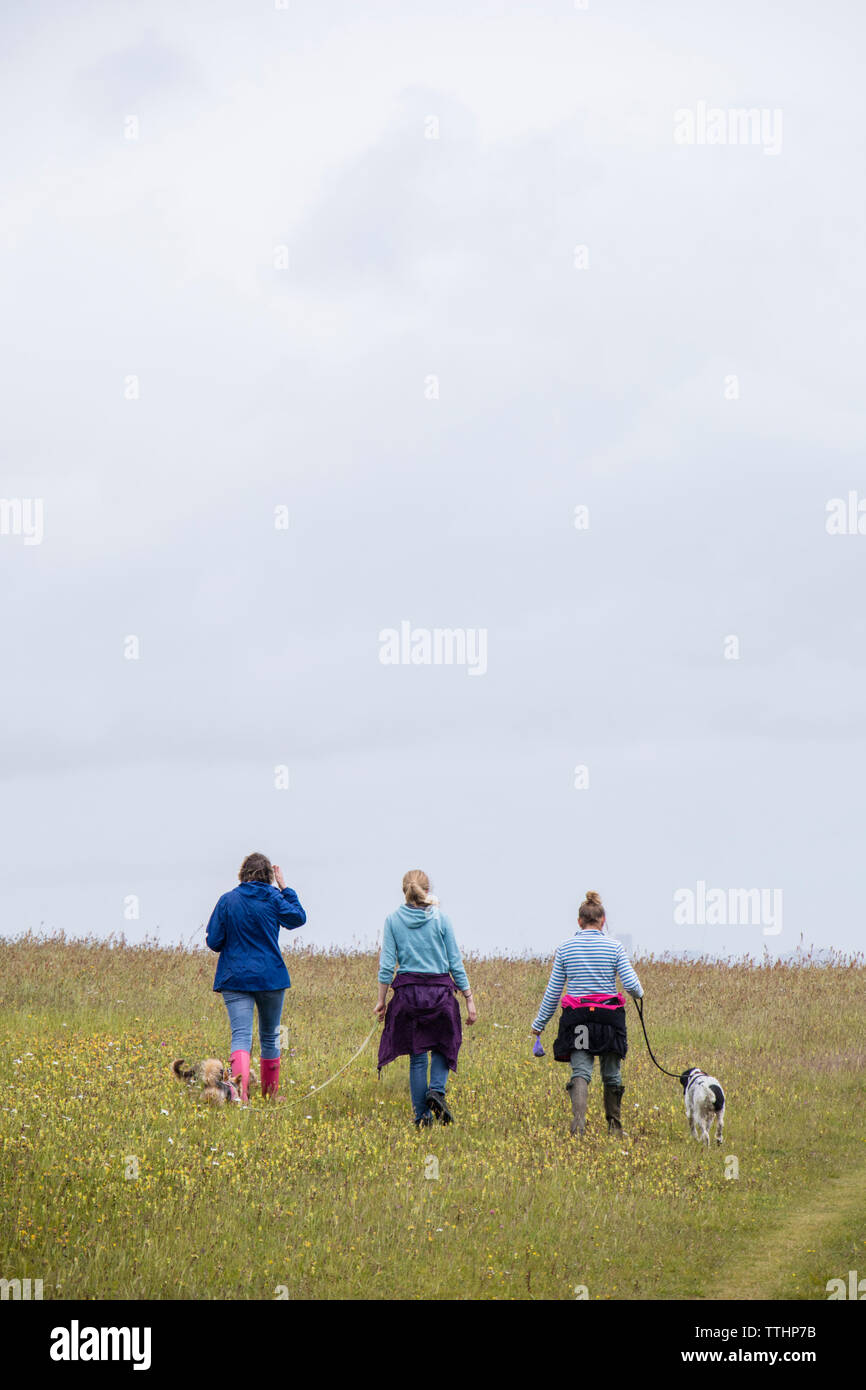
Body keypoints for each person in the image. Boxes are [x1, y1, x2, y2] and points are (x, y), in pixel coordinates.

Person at [531, 890, 642, 1139]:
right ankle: (614, 1128)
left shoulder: (565, 948)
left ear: (579, 921)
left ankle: (578, 1125)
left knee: (581, 1071)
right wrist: (639, 994)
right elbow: (634, 987)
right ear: (603, 920)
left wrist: (539, 1024)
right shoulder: (615, 947)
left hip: (578, 1019)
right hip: (609, 1021)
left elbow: (553, 992)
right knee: (611, 1073)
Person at [376, 870, 477, 1127]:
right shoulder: (442, 919)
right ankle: (437, 1091)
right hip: (440, 994)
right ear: (427, 889)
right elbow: (455, 961)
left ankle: (422, 1117)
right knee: (444, 1045)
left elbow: (387, 966)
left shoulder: (392, 920)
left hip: (408, 996)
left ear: (404, 891)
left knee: (417, 1055)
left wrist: (381, 1000)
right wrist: (468, 997)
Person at [205, 852, 306, 1102]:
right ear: (269, 876)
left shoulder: (227, 900)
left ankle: (241, 1096)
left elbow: (215, 942)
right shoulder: (274, 897)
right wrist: (285, 888)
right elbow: (298, 918)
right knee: (271, 1035)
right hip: (271, 977)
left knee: (241, 1035)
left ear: (243, 873)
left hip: (235, 977)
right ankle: (271, 1095)